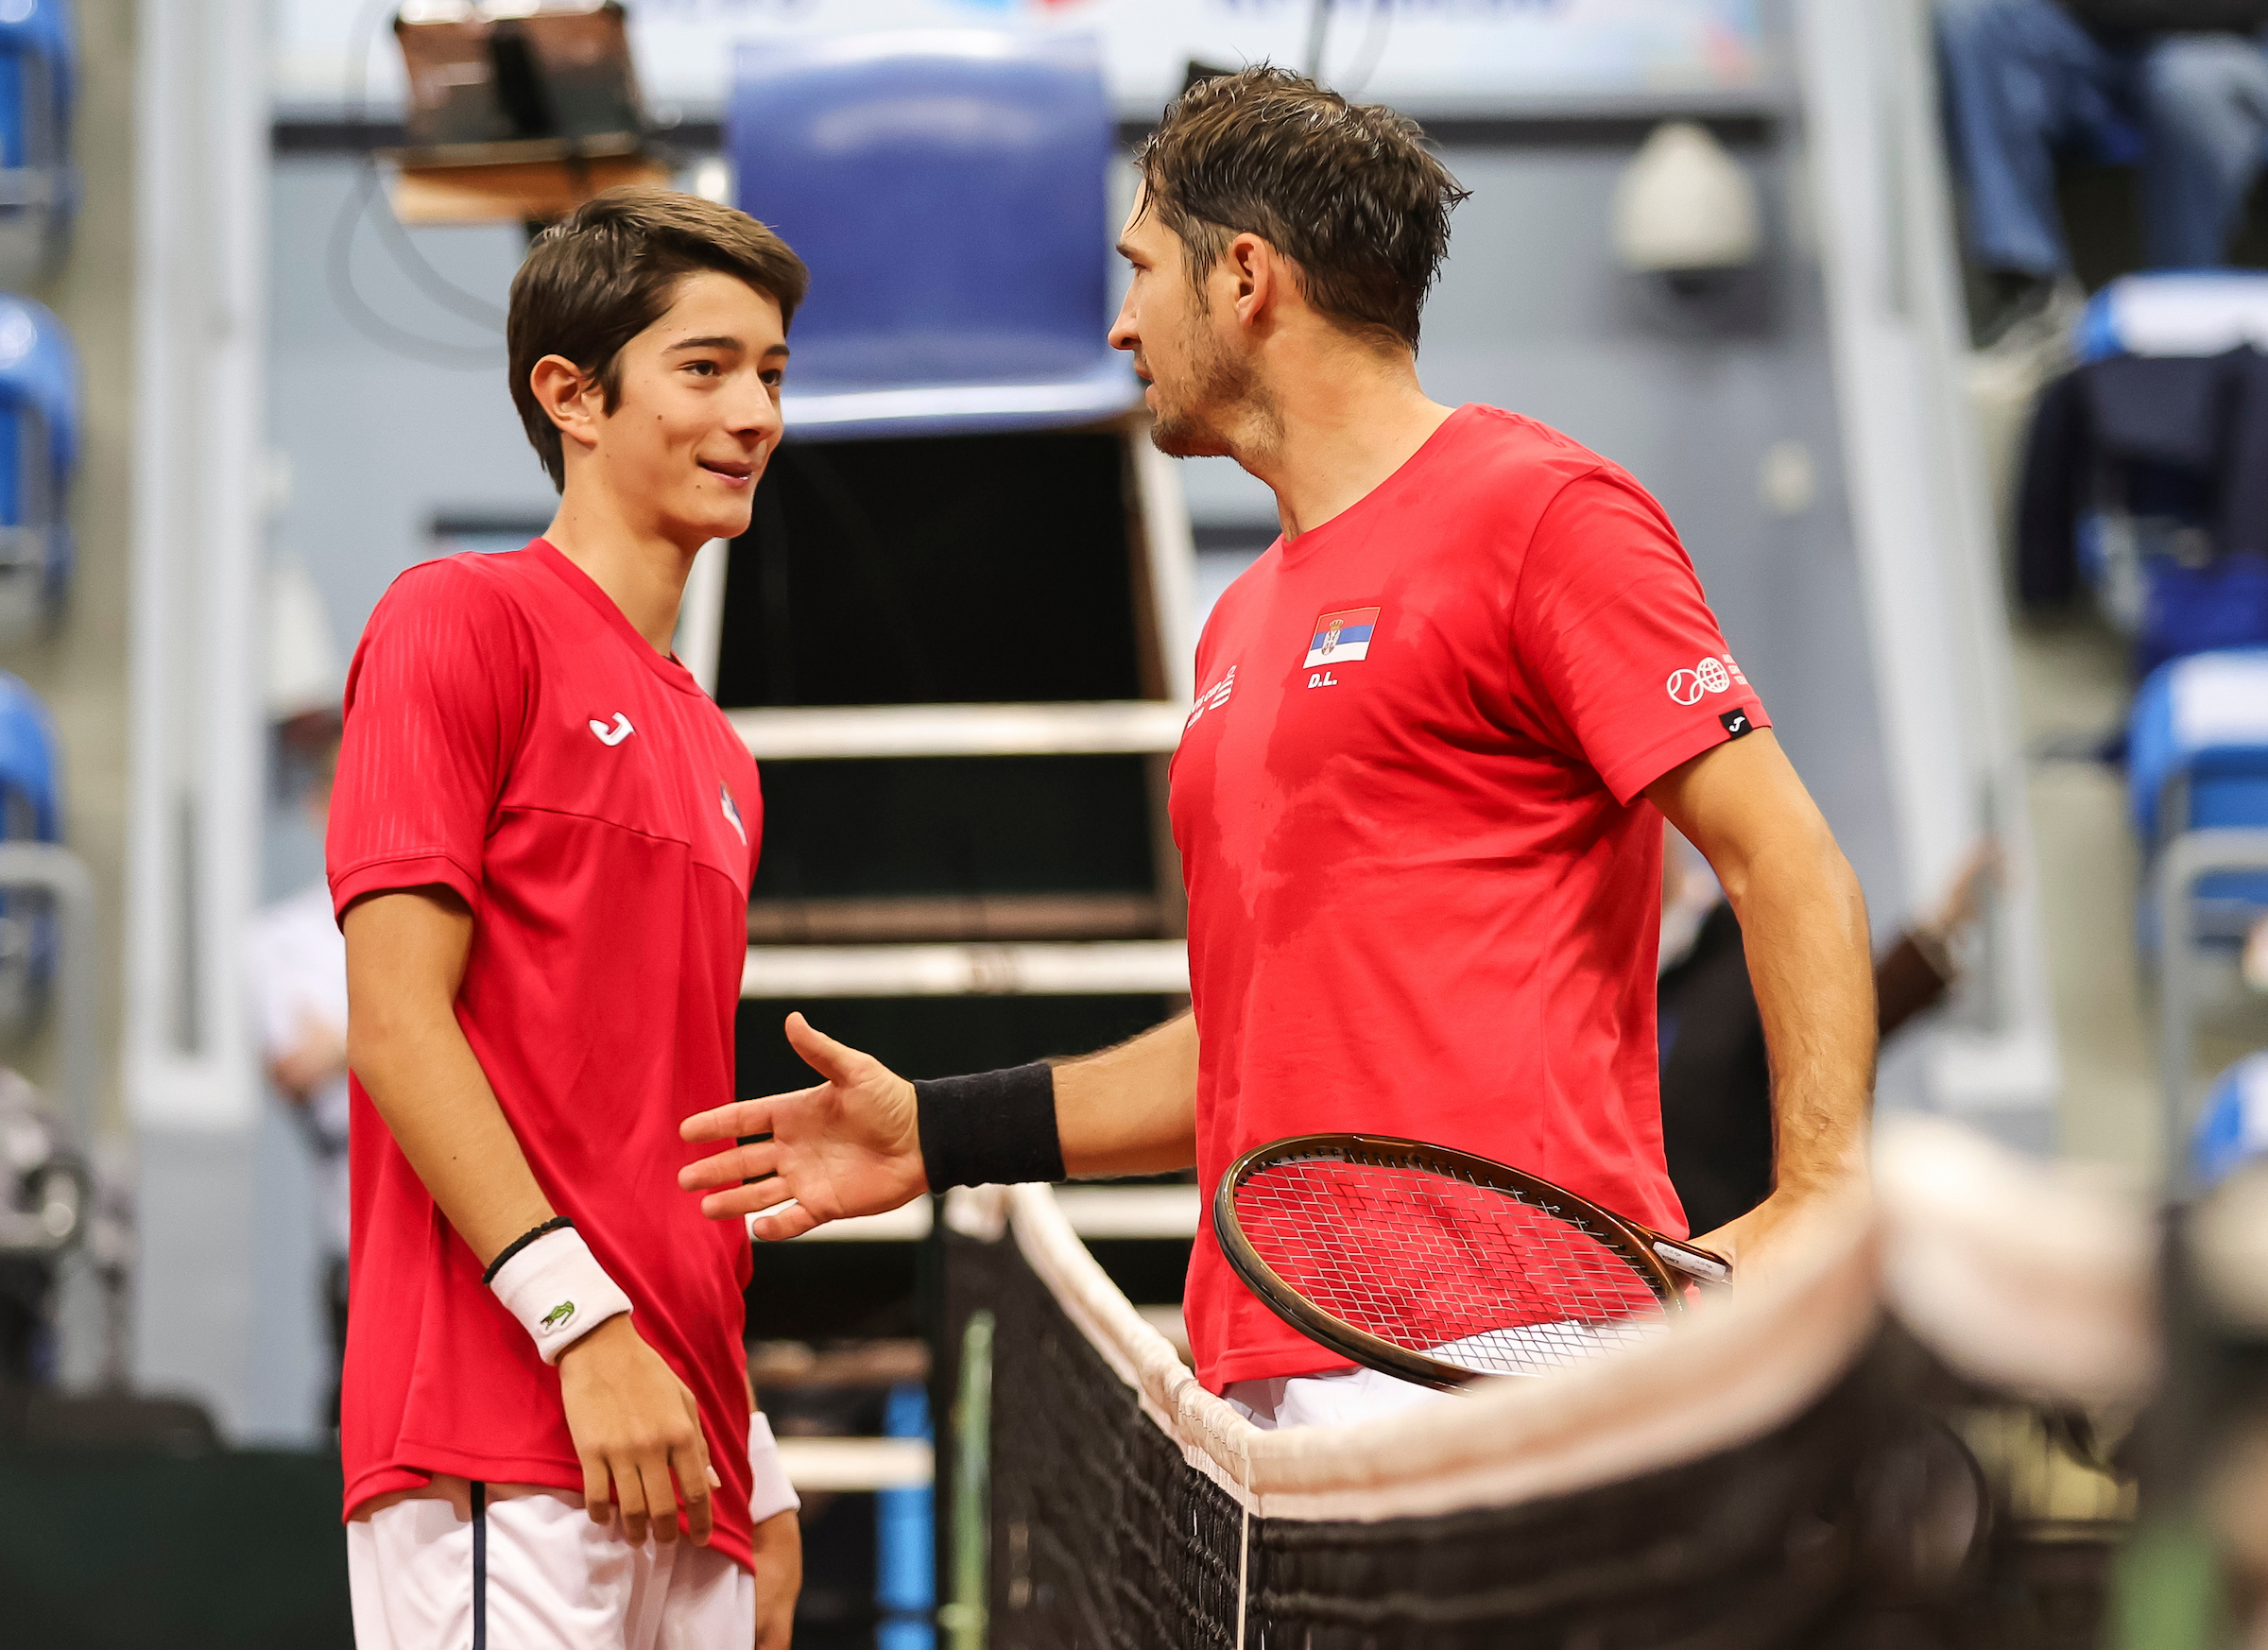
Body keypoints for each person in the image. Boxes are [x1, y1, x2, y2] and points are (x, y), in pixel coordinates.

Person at [678, 69, 1879, 1433]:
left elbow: (1785, 855)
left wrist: (1824, 1186)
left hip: (1511, 1351)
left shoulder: (1545, 514)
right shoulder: (1240, 618)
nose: (1123, 324)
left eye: (1140, 272)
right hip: (1270, 1366)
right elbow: (1254, 1048)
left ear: (1243, 276)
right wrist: (942, 1130)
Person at [329, 188, 803, 1647]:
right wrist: (581, 1325)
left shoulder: (723, 758)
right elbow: (396, 1026)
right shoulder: (456, 621)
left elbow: (648, 1122)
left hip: (688, 1453)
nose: (754, 414)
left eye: (773, 374)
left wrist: (756, 1456)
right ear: (572, 394)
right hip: (503, 1425)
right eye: (706, 367)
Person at [1660, 836, 2000, 1233]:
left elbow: (1842, 1020)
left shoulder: (1741, 946)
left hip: (1732, 1249)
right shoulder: (1630, 974)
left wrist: (1940, 929)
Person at [1935, 1, 2268, 339]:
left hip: (2232, 41)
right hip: (2096, 36)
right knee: (1976, 17)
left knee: (2189, 85)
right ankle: (2033, 298)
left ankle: (2181, 318)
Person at [246, 717, 352, 1421]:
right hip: (356, 1241)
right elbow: (304, 1074)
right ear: (320, 803)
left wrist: (348, 1041)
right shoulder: (275, 940)